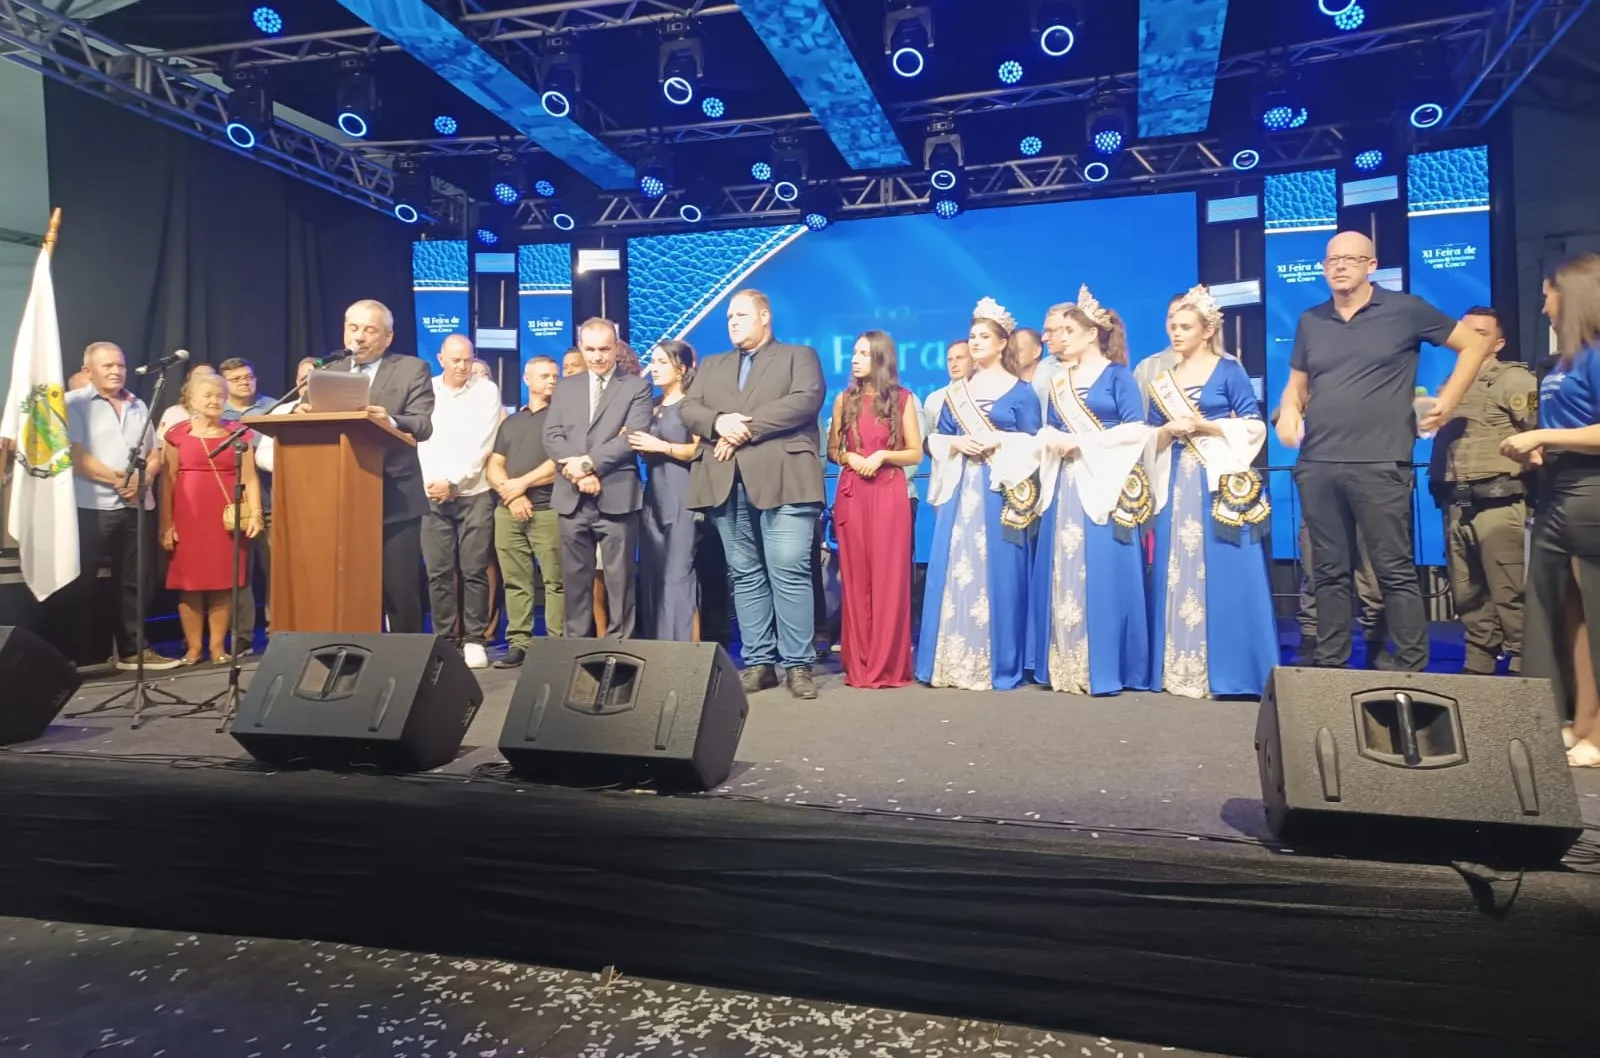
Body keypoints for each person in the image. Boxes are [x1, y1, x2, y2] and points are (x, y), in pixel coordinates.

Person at [1276, 231, 1494, 672]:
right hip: (1318, 462)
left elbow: (1475, 343)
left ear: (1372, 265)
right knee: (1328, 571)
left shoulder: (1405, 309)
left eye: (1351, 259)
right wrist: (1288, 412)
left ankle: (1412, 667)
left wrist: (1449, 400)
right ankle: (1331, 667)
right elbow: (1297, 385)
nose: (1339, 266)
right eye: (1332, 260)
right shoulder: (1311, 320)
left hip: (1380, 461)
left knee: (1393, 569)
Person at [680, 290, 827, 698]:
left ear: (765, 316)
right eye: (729, 316)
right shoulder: (713, 365)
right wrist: (718, 422)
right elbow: (689, 409)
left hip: (786, 477)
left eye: (741, 314)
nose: (732, 321)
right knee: (744, 574)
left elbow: (805, 401)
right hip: (727, 480)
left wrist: (743, 429)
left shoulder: (798, 356)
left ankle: (797, 664)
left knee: (789, 569)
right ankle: (760, 663)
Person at [1147, 285, 1277, 698]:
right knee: (1174, 565)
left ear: (1207, 331)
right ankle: (1177, 666)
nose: (1176, 332)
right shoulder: (1162, 381)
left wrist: (1204, 426)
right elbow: (1150, 435)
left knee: (1225, 565)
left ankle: (1233, 669)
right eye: (1173, 325)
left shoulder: (1228, 370)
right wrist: (1167, 431)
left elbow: (1253, 424)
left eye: (1185, 326)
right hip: (1174, 479)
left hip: (1216, 480)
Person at [1501, 255, 1600, 765]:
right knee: (1566, 614)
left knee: (1594, 612)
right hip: (1558, 490)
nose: (1543, 307)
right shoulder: (1565, 360)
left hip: (1592, 493)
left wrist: (1542, 435)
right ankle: (1580, 720)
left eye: (1548, 296)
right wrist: (1542, 449)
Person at [1029, 289, 1151, 695]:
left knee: (1103, 568)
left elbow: (1136, 430)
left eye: (1069, 330)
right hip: (1065, 481)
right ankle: (1065, 661)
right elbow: (1049, 427)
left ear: (1091, 333)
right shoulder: (1058, 381)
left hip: (1103, 480)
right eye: (1059, 330)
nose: (1060, 337)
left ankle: (1105, 663)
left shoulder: (1118, 376)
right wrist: (1052, 440)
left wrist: (1083, 443)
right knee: (1063, 567)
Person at [916, 297, 1042, 691]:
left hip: (999, 489)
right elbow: (936, 439)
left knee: (1000, 568)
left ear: (1003, 343)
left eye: (984, 336)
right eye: (972, 336)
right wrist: (955, 443)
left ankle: (999, 659)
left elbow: (1035, 444)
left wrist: (999, 440)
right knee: (957, 566)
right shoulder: (956, 393)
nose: (975, 342)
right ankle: (953, 657)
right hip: (961, 488)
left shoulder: (1021, 392)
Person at [298, 300, 435, 633]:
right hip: (340, 497)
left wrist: (390, 419)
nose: (359, 337)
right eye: (353, 328)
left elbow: (422, 424)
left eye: (369, 330)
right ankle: (354, 654)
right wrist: (301, 414)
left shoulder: (411, 369)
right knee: (351, 590)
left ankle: (405, 657)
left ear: (388, 337)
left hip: (395, 497)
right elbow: (309, 417)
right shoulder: (328, 371)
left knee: (399, 589)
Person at [1428, 305, 1535, 675]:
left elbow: (1539, 429)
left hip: (1498, 503)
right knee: (1467, 592)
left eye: (1481, 333)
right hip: (1457, 504)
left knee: (1510, 591)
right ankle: (1479, 665)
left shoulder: (1512, 380)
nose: (1471, 339)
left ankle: (1525, 666)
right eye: (1466, 331)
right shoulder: (1453, 382)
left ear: (1498, 343)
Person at [64, 342, 177, 670]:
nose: (116, 371)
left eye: (121, 366)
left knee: (134, 580)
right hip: (91, 506)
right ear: (88, 371)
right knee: (81, 582)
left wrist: (145, 477)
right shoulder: (73, 403)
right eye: (108, 366)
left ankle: (133, 650)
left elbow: (154, 451)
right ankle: (77, 655)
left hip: (136, 505)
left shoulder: (137, 403)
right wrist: (120, 481)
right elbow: (77, 456)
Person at [543, 318, 653, 639]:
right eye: (590, 349)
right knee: (575, 581)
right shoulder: (566, 386)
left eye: (604, 349)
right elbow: (551, 436)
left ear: (616, 347)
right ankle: (574, 649)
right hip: (572, 496)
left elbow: (632, 437)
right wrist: (579, 473)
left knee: (620, 581)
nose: (597, 356)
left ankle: (620, 649)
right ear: (581, 348)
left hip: (616, 493)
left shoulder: (636, 387)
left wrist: (588, 464)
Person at [827, 331, 922, 688]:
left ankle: (887, 664)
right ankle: (859, 663)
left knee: (888, 579)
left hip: (888, 491)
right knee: (855, 580)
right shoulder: (844, 400)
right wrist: (849, 457)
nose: (855, 359)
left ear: (881, 358)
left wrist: (882, 455)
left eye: (864, 353)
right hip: (853, 492)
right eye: (854, 353)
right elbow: (833, 450)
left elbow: (915, 452)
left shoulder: (902, 399)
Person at [159, 373, 263, 665]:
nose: (215, 400)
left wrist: (256, 514)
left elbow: (250, 478)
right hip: (188, 516)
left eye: (219, 395)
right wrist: (166, 524)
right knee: (189, 584)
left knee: (223, 582)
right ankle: (193, 648)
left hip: (225, 516)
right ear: (191, 400)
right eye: (207, 395)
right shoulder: (177, 434)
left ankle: (217, 647)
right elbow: (167, 481)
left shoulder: (239, 433)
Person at [417, 335, 502, 669]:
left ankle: (474, 639)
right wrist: (434, 483)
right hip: (431, 492)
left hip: (473, 492)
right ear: (441, 359)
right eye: (455, 360)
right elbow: (420, 442)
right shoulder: (426, 390)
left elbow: (483, 443)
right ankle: (445, 639)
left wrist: (453, 482)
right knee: (438, 571)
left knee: (474, 569)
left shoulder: (486, 391)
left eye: (467, 359)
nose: (462, 366)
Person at [488, 356, 562, 667]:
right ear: (526, 379)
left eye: (555, 376)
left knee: (556, 581)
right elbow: (494, 464)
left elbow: (559, 464)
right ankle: (519, 643)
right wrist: (512, 495)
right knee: (515, 581)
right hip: (509, 511)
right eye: (544, 375)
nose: (552, 380)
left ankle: (557, 645)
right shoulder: (511, 422)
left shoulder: (563, 419)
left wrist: (522, 485)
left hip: (548, 510)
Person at [629, 340, 704, 642]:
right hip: (654, 498)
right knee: (655, 576)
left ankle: (689, 654)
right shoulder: (653, 405)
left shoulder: (691, 406)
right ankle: (660, 649)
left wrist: (663, 447)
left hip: (682, 495)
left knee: (678, 577)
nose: (654, 368)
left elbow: (700, 450)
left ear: (681, 368)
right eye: (653, 361)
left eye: (662, 362)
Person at [217, 357, 275, 654]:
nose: (244, 382)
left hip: (272, 500)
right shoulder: (217, 411)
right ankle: (241, 635)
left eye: (248, 377)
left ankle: (278, 629)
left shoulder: (275, 407)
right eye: (236, 379)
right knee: (238, 573)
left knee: (275, 570)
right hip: (231, 504)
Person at [1131, 293, 1186, 413]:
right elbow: (1137, 416)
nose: (1175, 322)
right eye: (1171, 316)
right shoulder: (1147, 368)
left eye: (1182, 316)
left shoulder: (1222, 365)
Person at [922, 340, 973, 429]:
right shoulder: (934, 399)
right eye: (950, 360)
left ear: (974, 361)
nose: (954, 364)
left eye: (960, 358)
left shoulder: (985, 393)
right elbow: (927, 435)